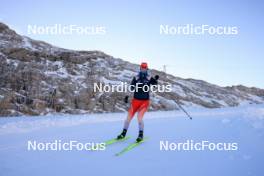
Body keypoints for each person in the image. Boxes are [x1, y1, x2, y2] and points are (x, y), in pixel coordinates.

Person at [117, 62, 159, 142]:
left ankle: (140, 135)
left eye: (145, 68)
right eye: (142, 68)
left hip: (144, 102)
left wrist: (156, 79)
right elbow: (131, 88)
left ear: (146, 69)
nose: (143, 70)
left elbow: (155, 84)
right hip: (135, 101)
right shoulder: (136, 78)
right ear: (140, 69)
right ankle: (123, 134)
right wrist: (127, 96)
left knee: (139, 117)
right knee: (128, 118)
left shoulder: (149, 78)